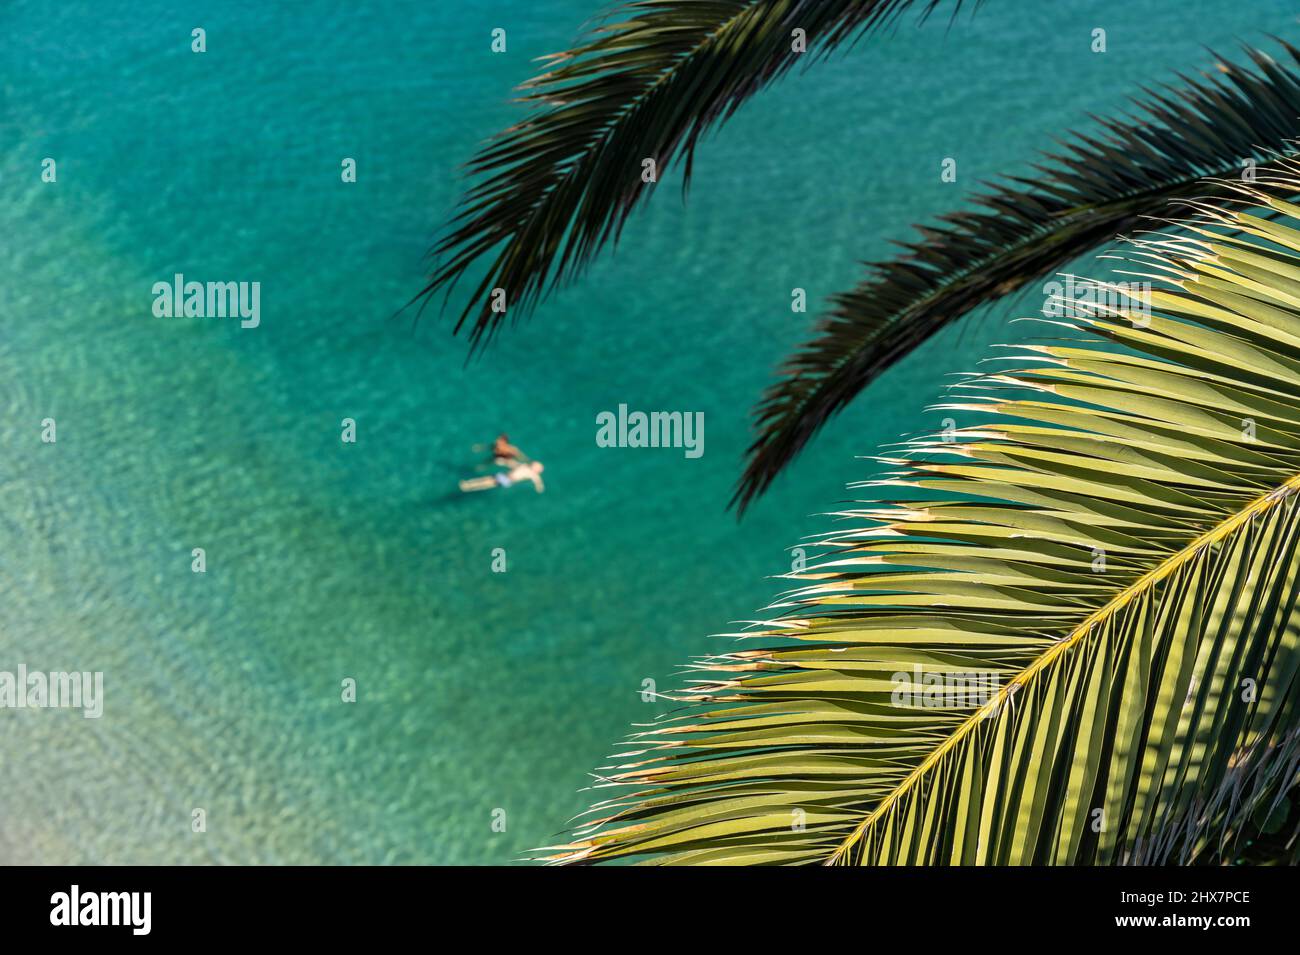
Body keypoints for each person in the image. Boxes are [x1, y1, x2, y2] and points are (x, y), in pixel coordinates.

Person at [459, 460, 544, 494]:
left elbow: (537, 480)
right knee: (486, 479)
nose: (533, 463)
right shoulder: (524, 466)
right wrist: (503, 462)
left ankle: (468, 487)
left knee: (486, 483)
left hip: (507, 479)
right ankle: (467, 484)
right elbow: (513, 464)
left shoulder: (532, 474)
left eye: (536, 465)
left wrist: (539, 487)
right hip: (504, 476)